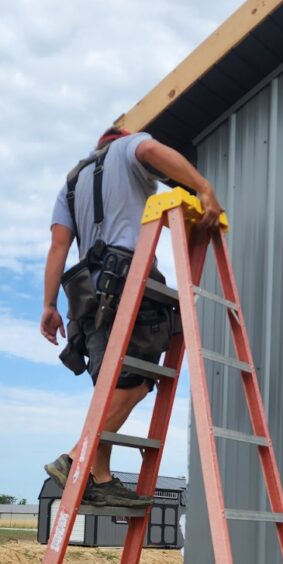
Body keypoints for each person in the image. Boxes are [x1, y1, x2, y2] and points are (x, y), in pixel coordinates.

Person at [40, 126, 224, 508]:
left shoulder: (72, 182)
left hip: (85, 293)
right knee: (136, 382)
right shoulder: (129, 147)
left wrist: (49, 305)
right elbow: (155, 152)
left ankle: (102, 477)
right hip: (126, 276)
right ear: (120, 140)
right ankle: (77, 459)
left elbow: (59, 245)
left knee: (109, 386)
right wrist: (203, 189)